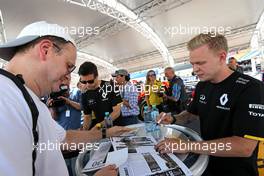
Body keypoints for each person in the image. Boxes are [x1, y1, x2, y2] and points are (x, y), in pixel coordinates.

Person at [0, 21, 130, 176]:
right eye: (69, 66)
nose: (68, 76)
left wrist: (105, 133)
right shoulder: (6, 99)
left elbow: (64, 139)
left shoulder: (25, 97)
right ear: (45, 50)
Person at [155, 33, 264, 176]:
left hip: (237, 170)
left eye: (200, 63)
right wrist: (173, 118)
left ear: (222, 57)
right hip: (206, 161)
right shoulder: (202, 86)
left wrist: (186, 145)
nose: (195, 69)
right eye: (193, 64)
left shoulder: (251, 88)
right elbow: (190, 113)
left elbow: (244, 147)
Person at [79, 61, 122, 129]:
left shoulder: (111, 86)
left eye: (90, 81)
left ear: (97, 76)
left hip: (116, 128)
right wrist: (84, 133)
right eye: (84, 82)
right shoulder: (84, 94)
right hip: (101, 131)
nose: (87, 84)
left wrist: (99, 126)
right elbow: (87, 117)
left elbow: (116, 112)